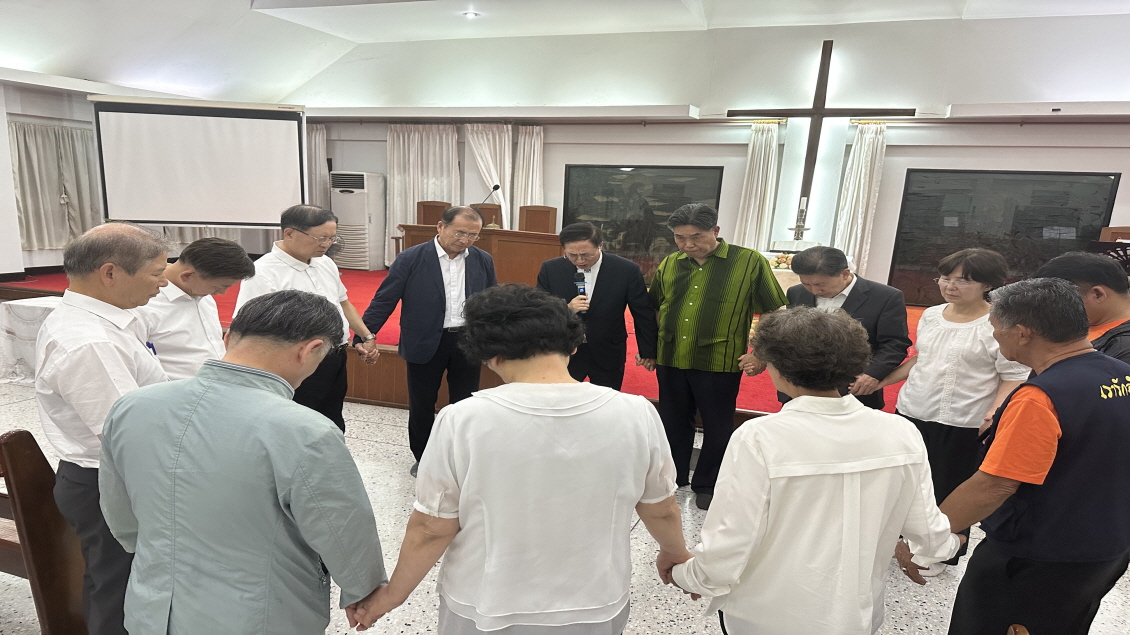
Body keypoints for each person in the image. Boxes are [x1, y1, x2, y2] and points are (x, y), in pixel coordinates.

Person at [350, 284, 688, 633]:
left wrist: (392, 596)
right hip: (595, 600)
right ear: (573, 345)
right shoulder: (636, 412)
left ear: (488, 355)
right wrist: (675, 552)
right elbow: (661, 507)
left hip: (485, 601)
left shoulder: (462, 419)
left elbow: (431, 527)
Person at [99, 290, 388, 634]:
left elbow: (120, 515)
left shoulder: (131, 406)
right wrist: (363, 591)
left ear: (228, 337)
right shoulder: (306, 431)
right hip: (258, 614)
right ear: (310, 350)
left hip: (152, 608)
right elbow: (342, 529)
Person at [671, 307, 962, 635]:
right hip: (858, 613)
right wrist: (949, 545)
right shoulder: (900, 431)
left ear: (776, 368)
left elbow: (732, 538)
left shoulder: (760, 436)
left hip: (768, 613)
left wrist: (689, 575)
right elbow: (927, 529)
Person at [899, 278, 1130, 635]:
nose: (994, 337)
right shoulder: (1121, 374)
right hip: (1106, 545)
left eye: (995, 328)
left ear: (1022, 333)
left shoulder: (1042, 397)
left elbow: (995, 485)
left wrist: (926, 538)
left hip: (1037, 555)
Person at [36, 222, 171, 635]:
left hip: (114, 477)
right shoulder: (89, 340)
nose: (164, 284)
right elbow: (126, 435)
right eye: (156, 273)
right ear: (110, 273)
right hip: (111, 482)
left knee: (121, 581)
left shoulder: (105, 321)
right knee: (120, 590)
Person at [881, 248, 1030, 574]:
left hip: (964, 419)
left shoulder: (997, 323)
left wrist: (993, 413)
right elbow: (922, 358)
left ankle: (939, 553)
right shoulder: (932, 315)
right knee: (910, 483)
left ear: (988, 284)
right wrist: (882, 380)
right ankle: (904, 541)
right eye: (945, 278)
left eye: (963, 280)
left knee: (949, 488)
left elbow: (1013, 375)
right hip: (914, 409)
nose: (950, 286)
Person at [649, 203, 786, 509]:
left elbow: (773, 310)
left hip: (719, 358)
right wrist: (653, 348)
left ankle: (708, 483)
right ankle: (674, 477)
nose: (688, 244)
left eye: (696, 236)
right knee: (672, 420)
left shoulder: (748, 261)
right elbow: (657, 305)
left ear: (716, 231)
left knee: (718, 424)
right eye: (680, 237)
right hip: (671, 356)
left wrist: (760, 352)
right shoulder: (671, 263)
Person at [360, 206, 497, 475]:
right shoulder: (411, 258)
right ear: (440, 227)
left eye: (473, 235)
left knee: (464, 404)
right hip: (424, 340)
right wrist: (365, 334)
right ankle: (423, 457)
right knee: (422, 403)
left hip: (467, 341)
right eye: (459, 232)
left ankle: (459, 457)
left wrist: (493, 339)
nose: (465, 240)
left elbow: (491, 301)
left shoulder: (482, 260)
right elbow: (385, 298)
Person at [235, 205, 379, 432]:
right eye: (320, 238)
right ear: (289, 233)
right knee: (299, 424)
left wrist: (366, 336)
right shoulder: (263, 272)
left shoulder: (325, 262)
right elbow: (249, 327)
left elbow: (343, 302)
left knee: (332, 419)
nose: (327, 244)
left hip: (335, 356)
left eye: (332, 238)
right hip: (296, 362)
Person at [782, 245, 911, 409]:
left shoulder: (885, 297)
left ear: (844, 274)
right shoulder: (796, 292)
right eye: (806, 284)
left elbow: (895, 344)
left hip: (855, 388)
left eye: (820, 284)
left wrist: (872, 374)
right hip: (800, 388)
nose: (814, 290)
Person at [535, 222, 658, 389]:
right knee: (560, 399)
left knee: (606, 399)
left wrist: (648, 351)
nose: (580, 260)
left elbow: (642, 312)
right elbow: (540, 309)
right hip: (563, 351)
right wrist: (567, 309)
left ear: (600, 245)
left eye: (586, 254)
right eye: (572, 255)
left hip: (608, 349)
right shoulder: (551, 269)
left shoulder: (626, 270)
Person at [132, 237, 255, 379]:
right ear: (187, 275)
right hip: (176, 389)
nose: (222, 293)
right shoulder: (144, 305)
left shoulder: (203, 295)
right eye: (219, 287)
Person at [1035, 250, 1130, 363]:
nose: (1052, 308)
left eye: (1060, 299)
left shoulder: (1123, 348)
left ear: (1098, 294)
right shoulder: (1080, 324)